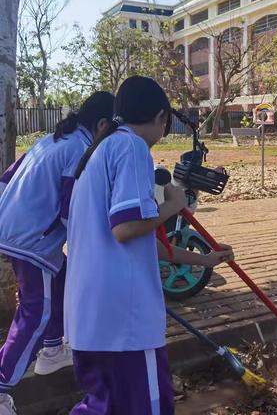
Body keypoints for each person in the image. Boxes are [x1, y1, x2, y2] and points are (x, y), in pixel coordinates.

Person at [65, 76, 234, 415]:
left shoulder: (100, 150)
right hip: (123, 323)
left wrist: (205, 261)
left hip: (90, 321)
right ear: (160, 117)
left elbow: (139, 242)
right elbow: (126, 228)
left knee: (103, 407)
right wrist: (174, 205)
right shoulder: (131, 147)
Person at [0, 92, 115, 415]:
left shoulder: (51, 140)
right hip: (32, 240)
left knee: (61, 279)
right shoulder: (80, 149)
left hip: (16, 230)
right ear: (103, 124)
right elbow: (71, 211)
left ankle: (51, 351)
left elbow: (6, 178)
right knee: (36, 312)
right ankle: (1, 387)